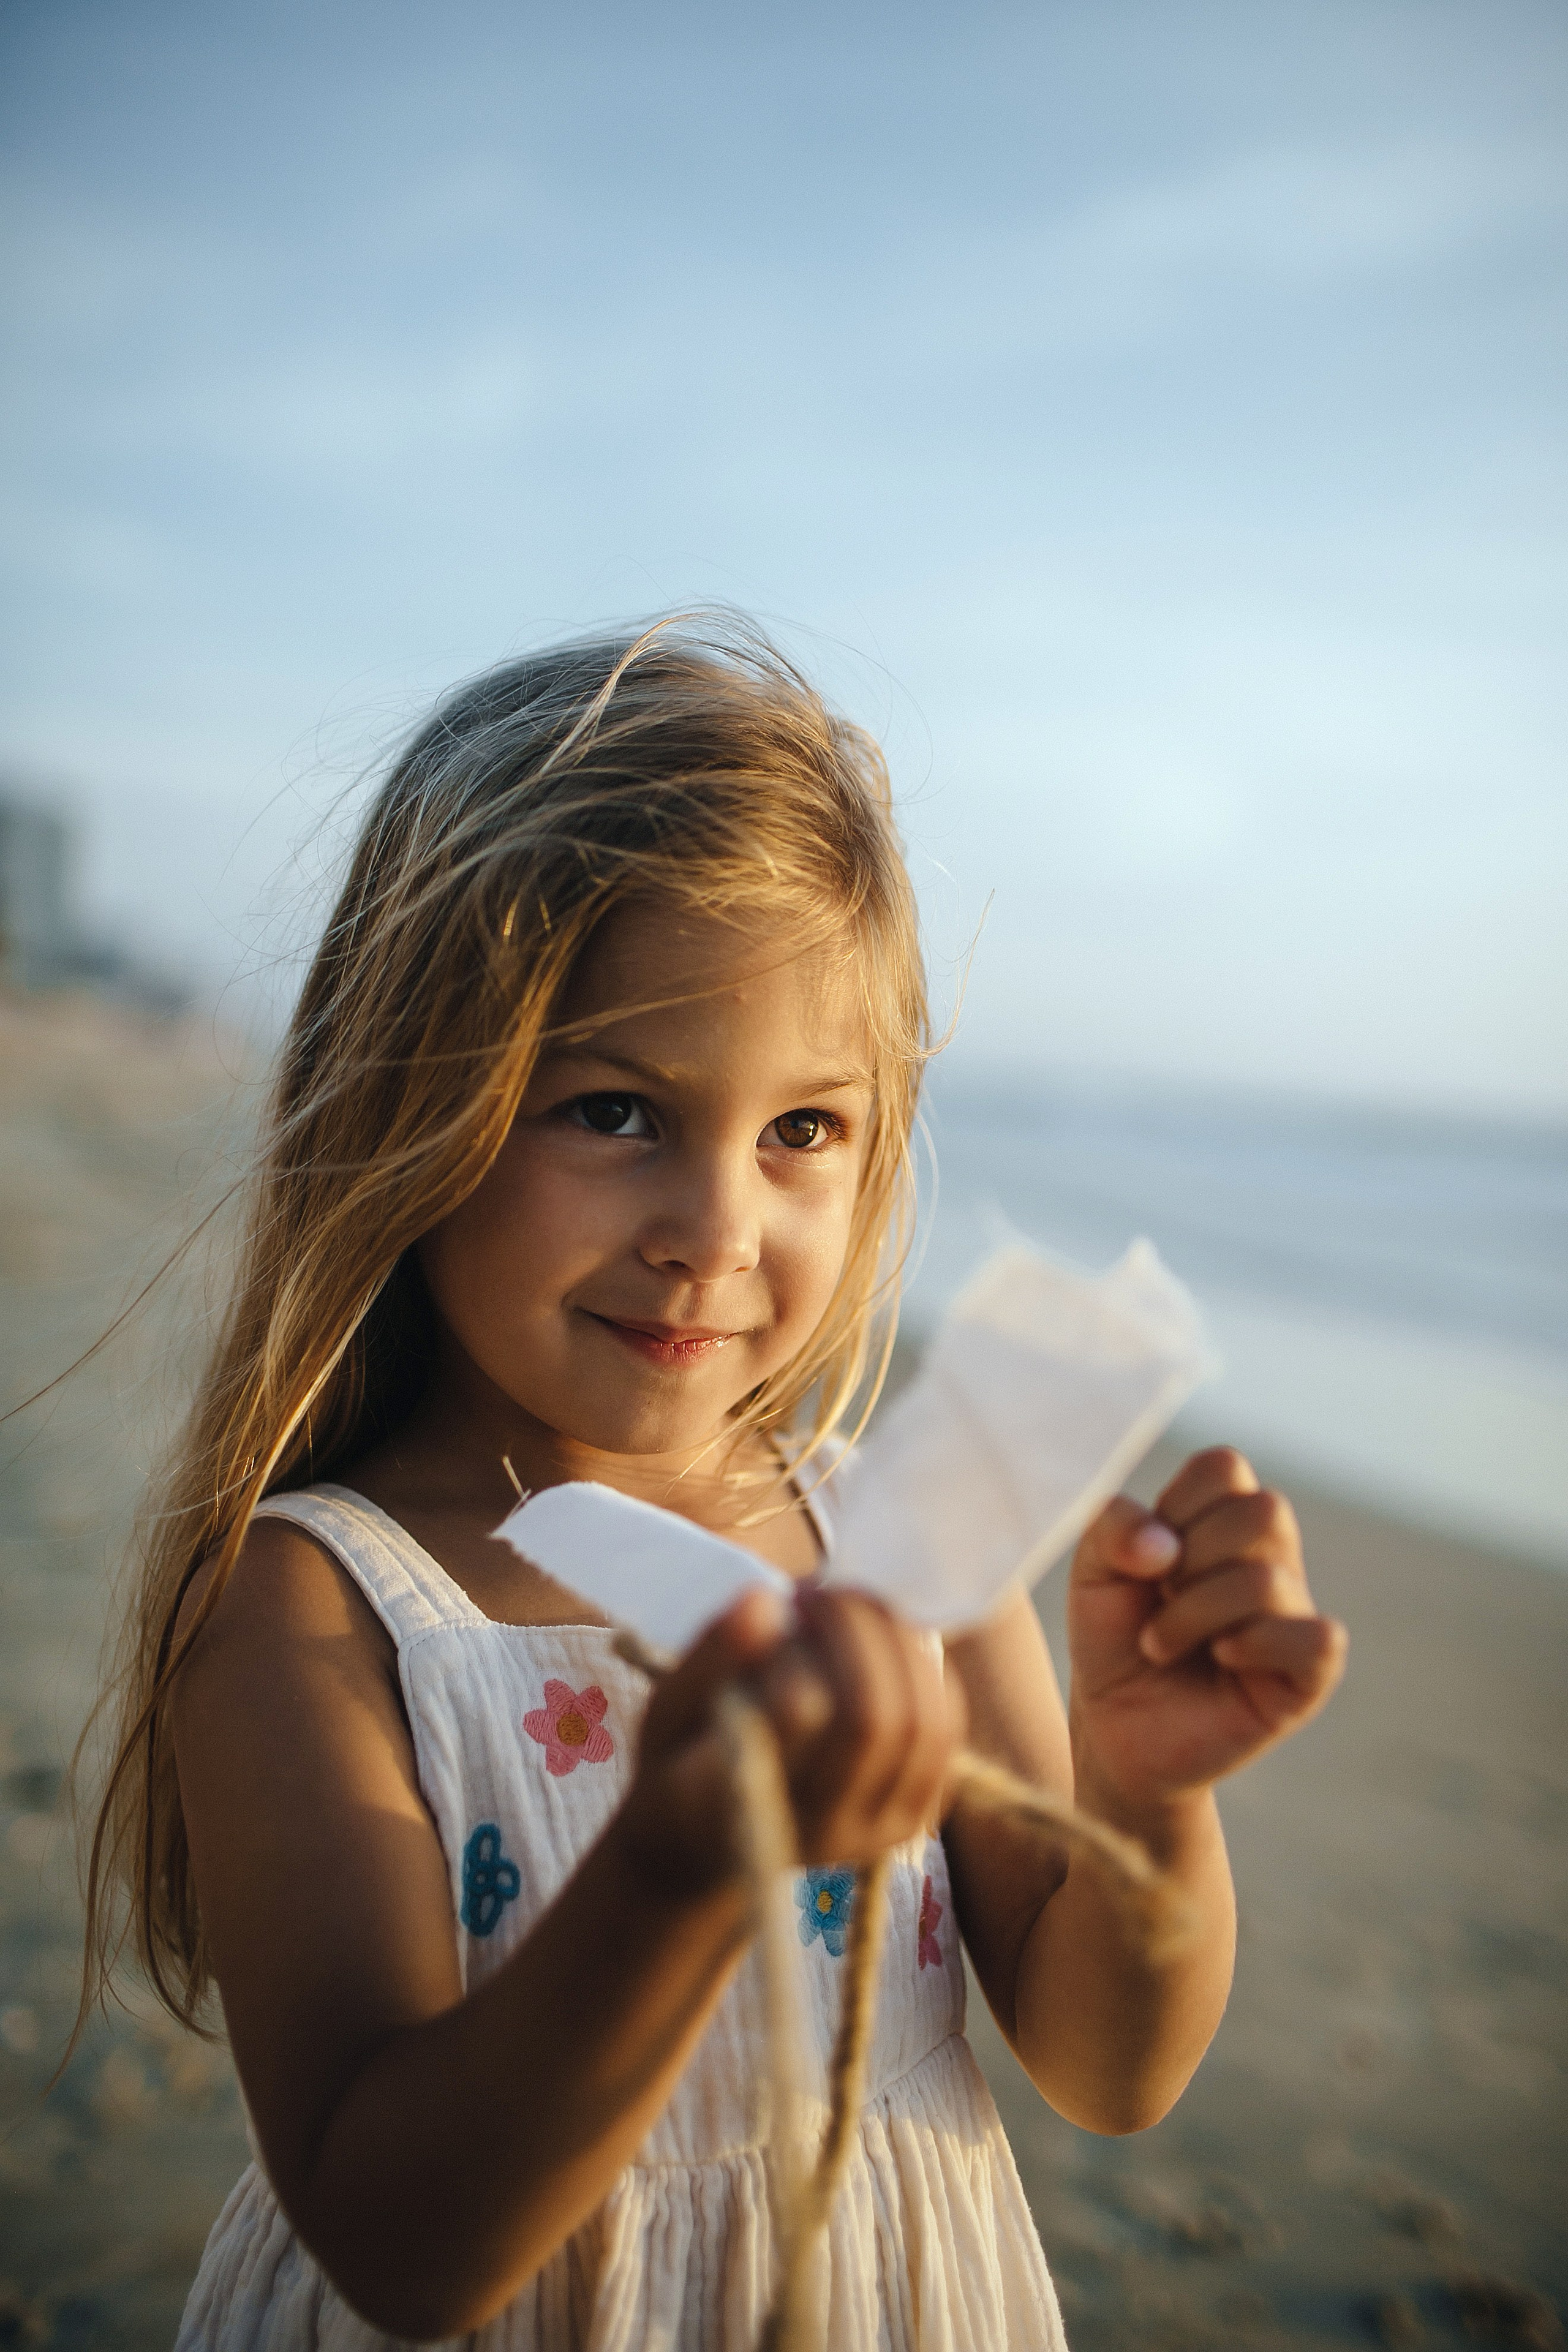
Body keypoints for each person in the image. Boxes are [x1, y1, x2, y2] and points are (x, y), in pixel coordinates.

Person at [85, 618, 1348, 2350]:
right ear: (413, 1099)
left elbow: (1109, 2064)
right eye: (613, 1112)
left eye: (804, 1132)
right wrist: (676, 1867)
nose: (717, 1233)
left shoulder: (894, 1544)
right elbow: (400, 2239)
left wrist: (1145, 1794)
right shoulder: (316, 1609)